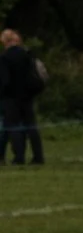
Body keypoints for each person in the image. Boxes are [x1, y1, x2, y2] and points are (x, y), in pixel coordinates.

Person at [0, 28, 44, 166]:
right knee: (31, 126)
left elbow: (4, 80)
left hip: (11, 97)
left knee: (13, 127)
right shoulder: (26, 55)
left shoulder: (5, 57)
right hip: (27, 96)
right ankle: (38, 156)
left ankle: (19, 157)